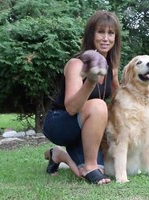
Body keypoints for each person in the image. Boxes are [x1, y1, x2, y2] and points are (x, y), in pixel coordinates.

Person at [43, 10, 121, 185]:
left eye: (111, 33)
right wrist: (91, 81)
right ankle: (89, 165)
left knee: (95, 172)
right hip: (60, 123)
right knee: (99, 106)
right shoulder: (76, 64)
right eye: (101, 32)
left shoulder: (112, 68)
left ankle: (58, 155)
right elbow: (71, 108)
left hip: (85, 129)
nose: (106, 38)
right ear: (91, 34)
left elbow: (120, 99)